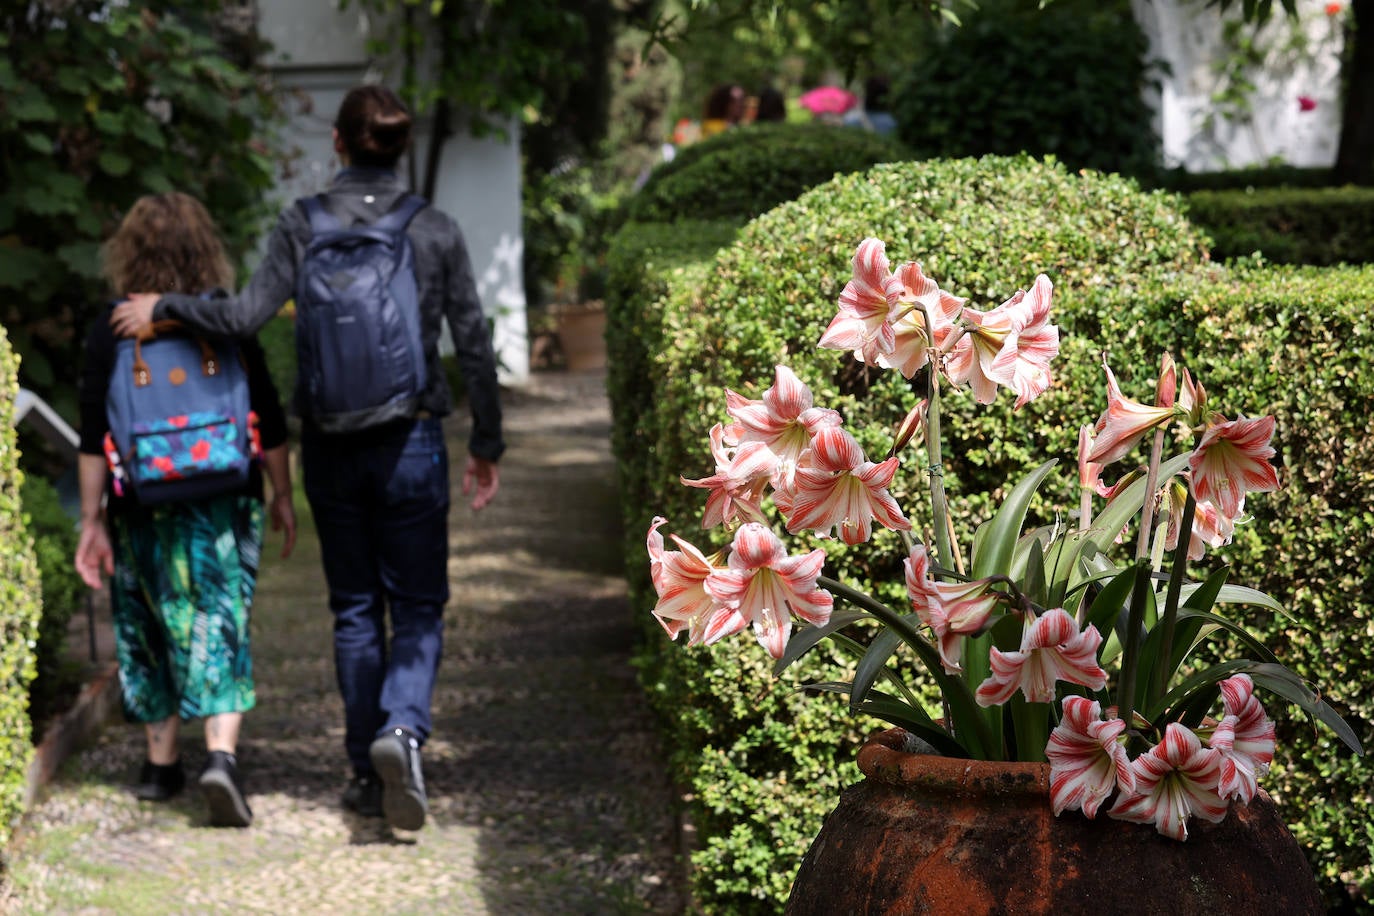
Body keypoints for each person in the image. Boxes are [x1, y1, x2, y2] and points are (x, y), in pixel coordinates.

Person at [110, 84, 505, 833]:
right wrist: (486, 442)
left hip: (329, 443)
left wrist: (164, 306)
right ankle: (403, 731)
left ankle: (364, 771)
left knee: (355, 610)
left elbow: (241, 317)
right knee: (418, 604)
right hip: (412, 440)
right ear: (400, 145)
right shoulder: (436, 230)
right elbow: (474, 343)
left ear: (337, 141)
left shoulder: (302, 223)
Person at [75, 192, 297, 829]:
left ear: (129, 252)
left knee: (147, 621)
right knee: (219, 616)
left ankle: (159, 765)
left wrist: (92, 521)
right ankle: (220, 758)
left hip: (141, 501)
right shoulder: (225, 319)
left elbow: (95, 436)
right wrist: (282, 495)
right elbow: (271, 415)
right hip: (226, 496)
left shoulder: (110, 326)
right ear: (205, 249)